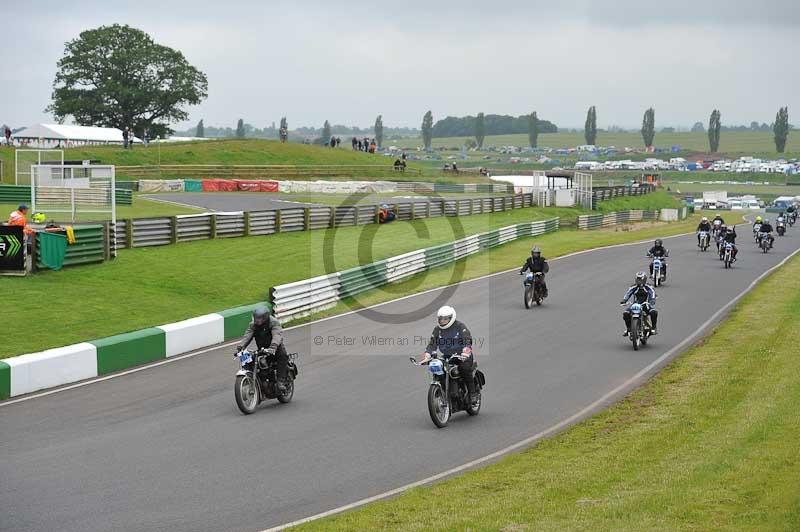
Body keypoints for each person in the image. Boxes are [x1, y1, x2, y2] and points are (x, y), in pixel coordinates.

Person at [419, 305, 478, 404]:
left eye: (445, 319)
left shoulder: (460, 326)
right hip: (447, 356)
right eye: (440, 319)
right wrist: (427, 355)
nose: (442, 321)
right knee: (438, 369)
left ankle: (472, 393)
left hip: (461, 355)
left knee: (464, 368)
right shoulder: (437, 330)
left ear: (451, 318)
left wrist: (466, 351)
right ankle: (443, 391)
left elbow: (467, 339)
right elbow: (432, 344)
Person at [235, 305, 289, 392]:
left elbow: (277, 335)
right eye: (256, 317)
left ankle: (280, 381)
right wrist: (240, 347)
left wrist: (273, 347)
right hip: (262, 349)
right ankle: (258, 381)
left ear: (265, 317)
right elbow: (247, 336)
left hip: (275, 348)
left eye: (259, 318)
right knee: (254, 361)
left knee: (282, 356)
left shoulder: (273, 322)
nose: (257, 320)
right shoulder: (253, 325)